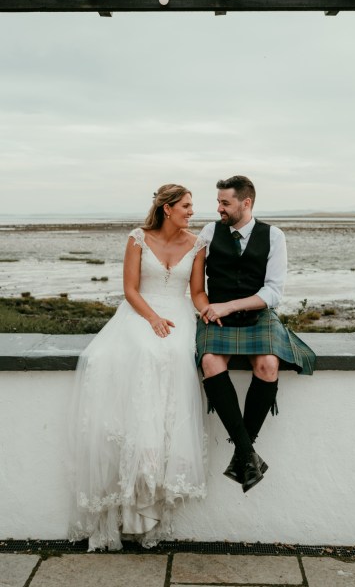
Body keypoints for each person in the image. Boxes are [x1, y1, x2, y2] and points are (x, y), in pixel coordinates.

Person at [68, 185, 208, 551]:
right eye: (186, 206)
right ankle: (134, 478)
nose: (192, 212)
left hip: (179, 315)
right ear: (167, 209)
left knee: (172, 356)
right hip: (140, 312)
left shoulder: (198, 244)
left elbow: (195, 292)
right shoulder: (137, 238)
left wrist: (208, 309)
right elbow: (130, 289)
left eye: (192, 206)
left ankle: (153, 485)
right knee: (125, 356)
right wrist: (152, 319)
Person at [196, 175, 316, 494]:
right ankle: (248, 454)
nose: (218, 208)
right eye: (218, 201)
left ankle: (241, 452)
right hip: (217, 318)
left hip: (257, 315)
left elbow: (274, 291)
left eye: (225, 202)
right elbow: (193, 280)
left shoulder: (274, 236)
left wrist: (229, 305)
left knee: (268, 365)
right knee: (209, 361)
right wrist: (208, 307)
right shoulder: (209, 232)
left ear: (245, 203)